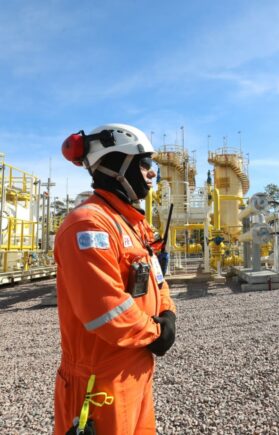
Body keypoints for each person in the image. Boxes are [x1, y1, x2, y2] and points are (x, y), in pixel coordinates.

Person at [54, 123, 176, 434]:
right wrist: (154, 332)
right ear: (117, 165)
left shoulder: (134, 225)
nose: (152, 173)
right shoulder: (87, 225)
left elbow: (156, 279)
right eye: (144, 163)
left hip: (137, 370)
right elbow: (103, 310)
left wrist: (168, 312)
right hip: (99, 382)